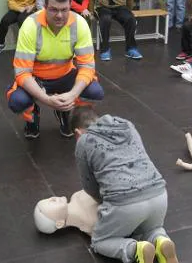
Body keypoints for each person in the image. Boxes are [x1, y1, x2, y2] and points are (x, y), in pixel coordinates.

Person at [71, 106, 178, 263]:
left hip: (125, 203)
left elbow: (89, 187)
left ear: (77, 132)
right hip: (159, 194)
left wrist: (105, 205)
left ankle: (135, 249)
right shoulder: (127, 125)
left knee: (99, 241)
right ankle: (161, 240)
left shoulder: (84, 141)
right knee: (149, 228)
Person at [6, 0, 104, 139]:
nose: (59, 15)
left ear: (70, 7)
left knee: (95, 91)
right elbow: (22, 72)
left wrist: (72, 94)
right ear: (45, 7)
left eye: (64, 10)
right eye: (53, 9)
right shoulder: (31, 25)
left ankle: (68, 115)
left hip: (65, 75)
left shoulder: (79, 24)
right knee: (18, 101)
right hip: (37, 79)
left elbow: (87, 66)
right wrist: (46, 100)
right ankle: (33, 117)